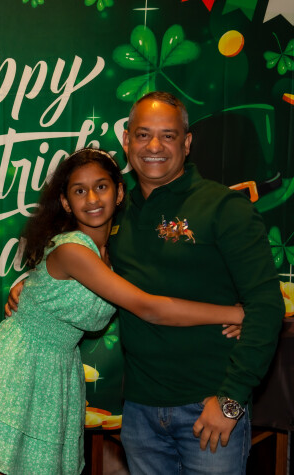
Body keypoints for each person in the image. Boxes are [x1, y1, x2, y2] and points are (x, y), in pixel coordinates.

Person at [0, 148, 246, 475]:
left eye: (101, 187)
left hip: (58, 368)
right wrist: (236, 314)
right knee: (8, 466)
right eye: (79, 191)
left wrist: (27, 284)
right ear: (66, 202)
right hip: (24, 363)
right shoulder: (73, 249)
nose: (92, 199)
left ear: (119, 193)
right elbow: (149, 307)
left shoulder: (112, 250)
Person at [111, 91, 283, 474]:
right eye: (143, 135)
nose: (154, 146)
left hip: (209, 408)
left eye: (168, 135)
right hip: (139, 413)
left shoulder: (225, 208)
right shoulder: (114, 209)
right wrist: (30, 286)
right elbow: (78, 260)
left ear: (187, 143)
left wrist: (230, 402)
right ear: (126, 140)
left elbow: (267, 306)